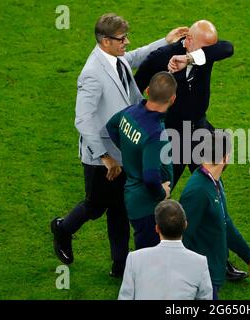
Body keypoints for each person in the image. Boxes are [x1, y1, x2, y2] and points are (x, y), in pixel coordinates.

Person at [50, 12, 188, 277]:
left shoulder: (114, 57)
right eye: (122, 38)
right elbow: (82, 118)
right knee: (96, 205)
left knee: (119, 208)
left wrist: (166, 41)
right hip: (102, 156)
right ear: (105, 41)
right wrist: (105, 157)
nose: (126, 42)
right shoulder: (92, 74)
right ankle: (63, 229)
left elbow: (135, 56)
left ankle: (120, 264)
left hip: (124, 148)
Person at [135, 19, 246, 281]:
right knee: (158, 197)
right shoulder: (162, 57)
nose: (209, 52)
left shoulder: (203, 54)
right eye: (203, 47)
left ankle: (220, 257)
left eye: (210, 48)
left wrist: (192, 59)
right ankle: (154, 261)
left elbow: (226, 49)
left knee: (213, 195)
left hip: (198, 131)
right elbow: (137, 85)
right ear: (188, 38)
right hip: (169, 137)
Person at [179, 131, 250, 299]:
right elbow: (183, 237)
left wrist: (248, 255)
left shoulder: (214, 180)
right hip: (201, 277)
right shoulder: (198, 191)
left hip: (213, 271)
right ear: (226, 158)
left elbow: (225, 222)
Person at [106, 71, 175, 250]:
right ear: (173, 99)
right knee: (149, 259)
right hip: (146, 205)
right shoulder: (155, 134)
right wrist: (162, 193)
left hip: (134, 196)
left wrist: (130, 151)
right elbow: (151, 177)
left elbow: (111, 125)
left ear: (147, 91)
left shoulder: (131, 112)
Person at [118, 199, 213, 300]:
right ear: (185, 225)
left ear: (157, 228)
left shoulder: (135, 258)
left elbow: (125, 297)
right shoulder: (200, 262)